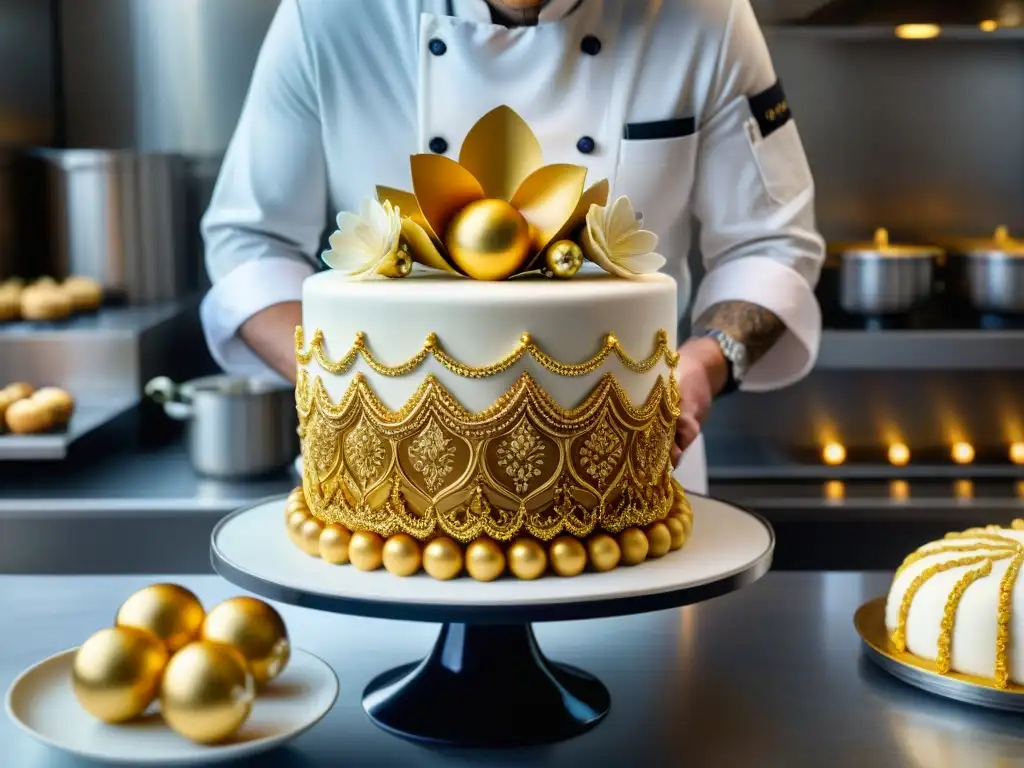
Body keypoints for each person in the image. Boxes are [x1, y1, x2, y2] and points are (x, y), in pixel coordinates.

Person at [201, 0, 824, 495]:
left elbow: (771, 245)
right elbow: (249, 245)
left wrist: (701, 366)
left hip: (636, 483)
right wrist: (356, 398)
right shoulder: (328, 15)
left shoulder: (706, 16)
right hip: (385, 495)